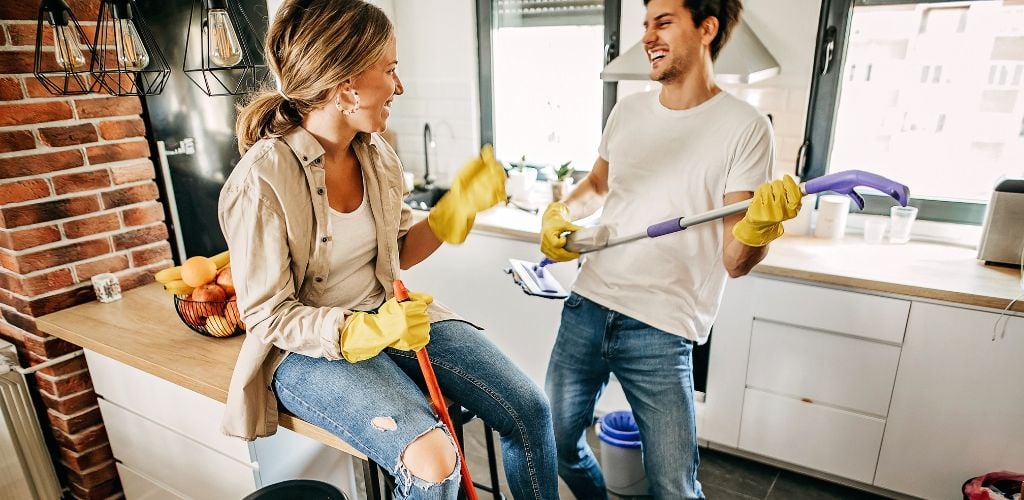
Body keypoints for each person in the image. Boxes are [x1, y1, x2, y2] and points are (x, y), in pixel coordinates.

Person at [218, 1, 558, 498]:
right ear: (346, 84)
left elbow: (396, 249)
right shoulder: (262, 180)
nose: (399, 86)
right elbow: (267, 316)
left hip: (387, 316)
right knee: (434, 462)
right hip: (305, 351)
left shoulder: (376, 153)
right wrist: (363, 331)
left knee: (530, 409)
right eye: (390, 69)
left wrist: (452, 211)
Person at [539, 0, 802, 498]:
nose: (648, 37)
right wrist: (561, 212)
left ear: (706, 28)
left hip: (661, 327)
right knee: (556, 443)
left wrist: (760, 229)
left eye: (664, 22)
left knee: (674, 487)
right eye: (645, 25)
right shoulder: (629, 109)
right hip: (588, 305)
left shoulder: (745, 127)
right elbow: (598, 184)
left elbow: (734, 260)